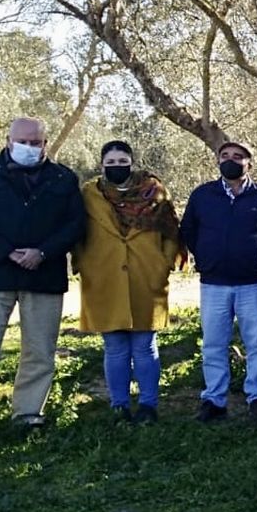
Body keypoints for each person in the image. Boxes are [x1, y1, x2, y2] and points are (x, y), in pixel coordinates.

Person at [0, 118, 86, 448]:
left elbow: (75, 224)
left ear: (45, 144)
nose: (29, 147)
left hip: (44, 275)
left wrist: (43, 252)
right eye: (22, 141)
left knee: (40, 351)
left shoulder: (64, 178)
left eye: (36, 142)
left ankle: (28, 416)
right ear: (8, 141)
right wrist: (6, 252)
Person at [76, 140, 183, 423]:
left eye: (122, 162)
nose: (117, 167)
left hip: (146, 276)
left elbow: (171, 231)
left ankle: (148, 405)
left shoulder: (154, 191)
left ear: (132, 163)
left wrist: (164, 264)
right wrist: (83, 264)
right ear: (101, 165)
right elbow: (77, 231)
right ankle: (119, 405)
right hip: (104, 277)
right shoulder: (90, 194)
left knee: (145, 345)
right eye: (110, 163)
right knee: (115, 347)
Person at [180, 140, 257, 422]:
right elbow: (189, 230)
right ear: (218, 161)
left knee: (256, 343)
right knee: (213, 343)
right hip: (214, 283)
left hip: (252, 283)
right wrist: (207, 256)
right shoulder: (203, 195)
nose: (230, 160)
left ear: (249, 163)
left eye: (238, 156)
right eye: (225, 156)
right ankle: (214, 399)